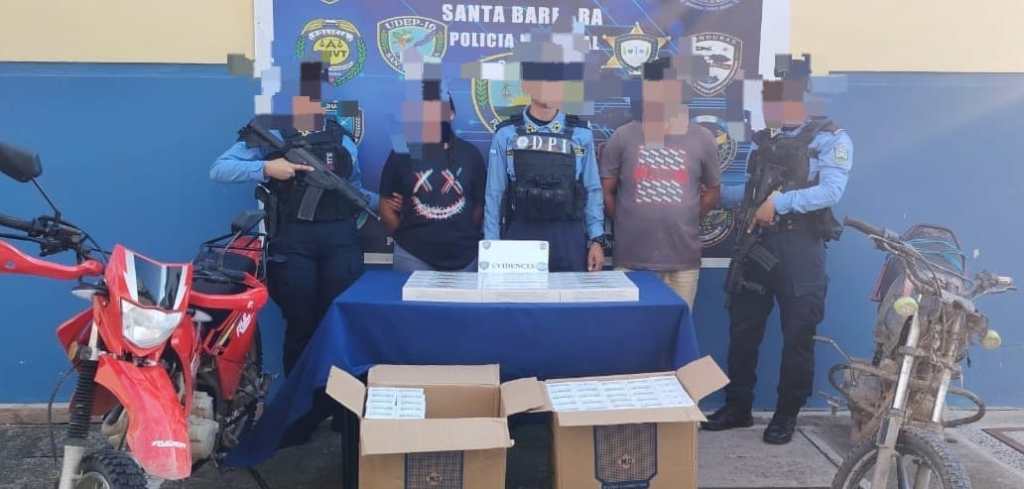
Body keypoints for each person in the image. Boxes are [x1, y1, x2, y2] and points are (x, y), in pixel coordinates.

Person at [702, 54, 853, 444]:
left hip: (800, 248)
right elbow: (752, 194)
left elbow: (831, 192)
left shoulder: (831, 138)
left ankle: (787, 415)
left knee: (798, 335)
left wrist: (781, 203)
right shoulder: (766, 140)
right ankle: (738, 407)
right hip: (757, 245)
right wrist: (710, 195)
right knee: (743, 330)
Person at [209, 63, 378, 376]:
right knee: (300, 324)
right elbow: (220, 169)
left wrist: (384, 204)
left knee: (336, 322)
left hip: (340, 242)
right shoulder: (274, 131)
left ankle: (334, 399)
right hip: (294, 242)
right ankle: (298, 400)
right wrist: (266, 168)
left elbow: (353, 188)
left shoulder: (341, 138)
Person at [480, 30, 608, 272]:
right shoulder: (506, 134)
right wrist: (491, 245)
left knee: (568, 297)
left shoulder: (580, 134)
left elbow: (592, 190)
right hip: (521, 234)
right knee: (520, 297)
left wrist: (596, 240)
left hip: (568, 235)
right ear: (526, 85)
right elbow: (494, 195)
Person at [600, 55, 721, 306]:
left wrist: (687, 217)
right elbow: (605, 192)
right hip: (632, 262)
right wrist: (626, 220)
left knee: (677, 328)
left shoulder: (702, 138)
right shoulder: (623, 136)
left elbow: (712, 191)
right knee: (632, 329)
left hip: (683, 263)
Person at [379, 68, 486, 272]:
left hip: (465, 257)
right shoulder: (401, 150)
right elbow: (385, 205)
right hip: (413, 256)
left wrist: (460, 233)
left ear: (452, 114)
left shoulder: (470, 154)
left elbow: (479, 205)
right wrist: (407, 239)